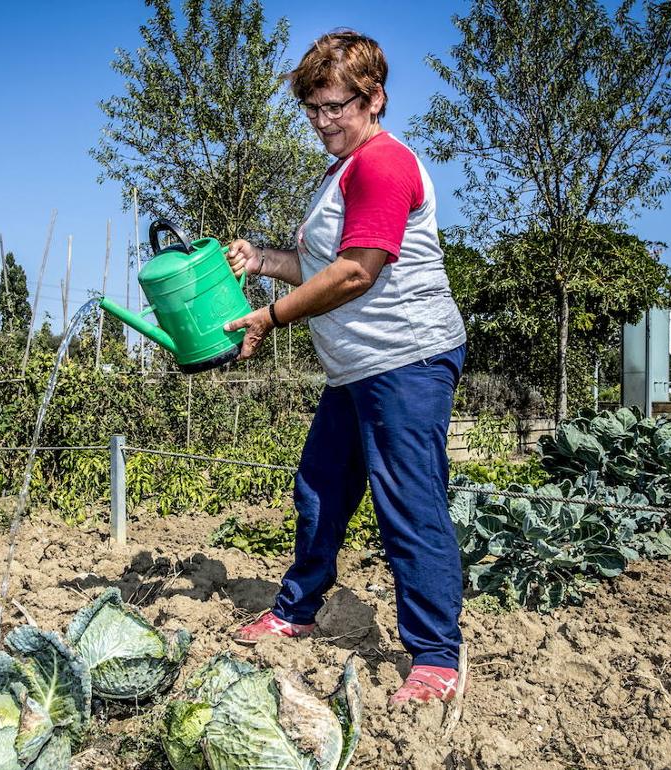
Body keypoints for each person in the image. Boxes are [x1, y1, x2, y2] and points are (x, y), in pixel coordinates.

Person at [222, 30, 470, 708]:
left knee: (407, 503)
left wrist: (271, 319)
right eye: (314, 109)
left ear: (375, 97)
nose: (325, 121)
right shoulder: (340, 172)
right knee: (321, 488)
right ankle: (298, 609)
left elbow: (357, 273)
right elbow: (322, 265)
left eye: (337, 106)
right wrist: (263, 261)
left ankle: (436, 656)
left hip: (407, 360)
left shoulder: (383, 165)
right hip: (356, 369)